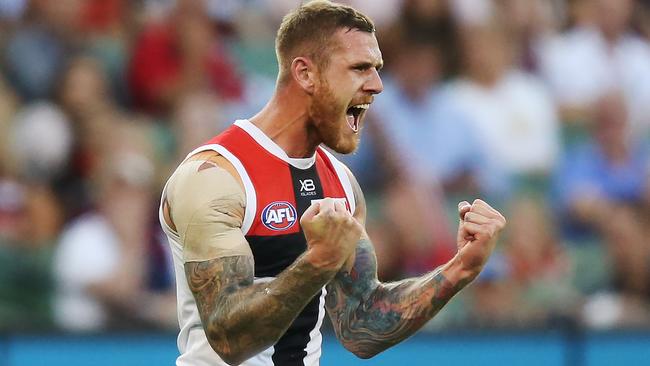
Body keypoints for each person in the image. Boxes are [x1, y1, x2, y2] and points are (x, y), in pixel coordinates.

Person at [159, 1, 506, 365]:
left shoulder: (340, 183)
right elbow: (229, 339)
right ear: (306, 74)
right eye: (359, 69)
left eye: (377, 70)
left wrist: (460, 269)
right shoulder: (215, 176)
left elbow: (362, 323)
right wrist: (318, 261)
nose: (376, 85)